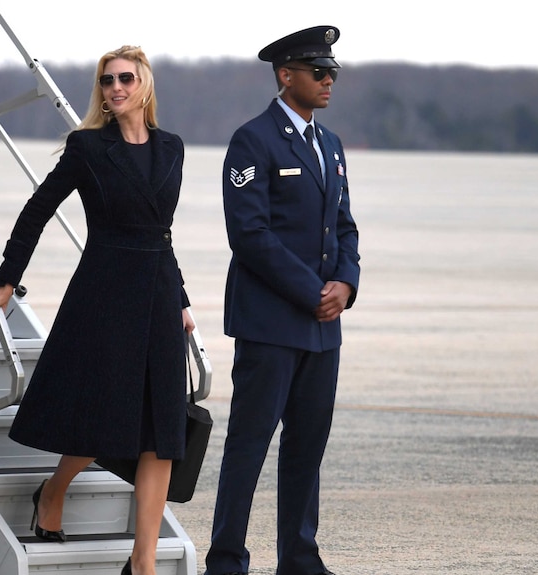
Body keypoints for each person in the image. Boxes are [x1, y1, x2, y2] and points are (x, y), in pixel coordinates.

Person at [0, 45, 194, 575]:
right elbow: (37, 212)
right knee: (103, 420)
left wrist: (182, 299)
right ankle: (53, 491)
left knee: (162, 433)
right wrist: (8, 280)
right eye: (105, 81)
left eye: (125, 78)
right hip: (104, 293)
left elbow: (161, 233)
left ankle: (142, 562)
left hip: (158, 297)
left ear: (145, 83)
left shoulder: (173, 148)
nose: (115, 88)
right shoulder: (88, 147)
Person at [204, 26, 360, 575]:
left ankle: (299, 559)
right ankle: (225, 560)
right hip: (271, 323)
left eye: (332, 72)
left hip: (322, 328)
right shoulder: (254, 140)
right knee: (248, 447)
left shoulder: (331, 145)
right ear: (285, 75)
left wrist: (346, 284)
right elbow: (249, 234)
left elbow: (344, 227)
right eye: (318, 72)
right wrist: (311, 291)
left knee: (306, 449)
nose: (328, 81)